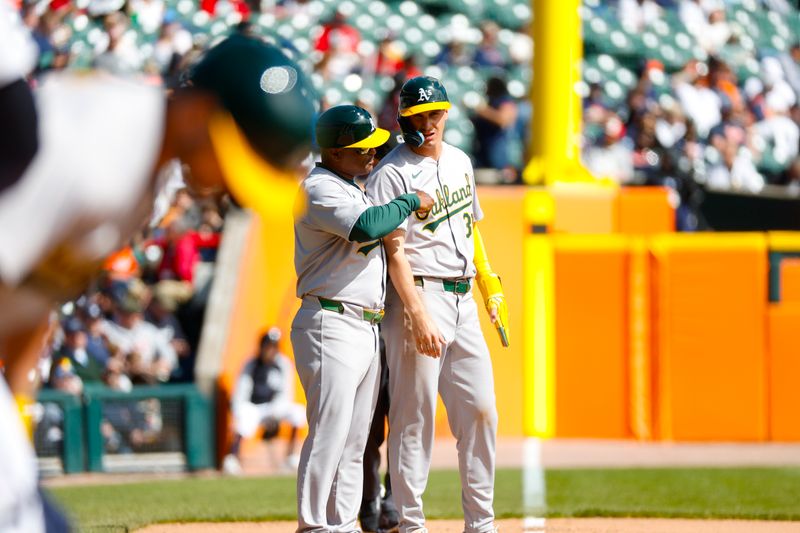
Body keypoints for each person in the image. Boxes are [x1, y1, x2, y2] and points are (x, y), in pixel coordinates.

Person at [0, 29, 315, 533]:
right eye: (233, 157)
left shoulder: (152, 169)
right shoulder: (98, 156)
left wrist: (16, 404)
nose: (233, 184)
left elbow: (32, 296)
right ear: (196, 111)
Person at [365, 76, 509, 533]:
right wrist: (416, 312)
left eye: (435, 114)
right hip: (419, 296)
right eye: (417, 116)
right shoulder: (391, 172)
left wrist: (490, 284)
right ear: (403, 119)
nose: (427, 123)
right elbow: (393, 253)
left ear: (446, 113)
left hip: (463, 296)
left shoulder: (462, 161)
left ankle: (481, 523)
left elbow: (472, 229)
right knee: (414, 414)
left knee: (482, 409)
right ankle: (410, 524)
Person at [291, 104, 434, 533]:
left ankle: (343, 522)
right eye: (362, 149)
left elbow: (392, 146)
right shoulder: (318, 188)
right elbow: (369, 226)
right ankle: (314, 525)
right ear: (335, 152)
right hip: (329, 319)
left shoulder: (351, 183)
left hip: (364, 324)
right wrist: (409, 199)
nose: (372, 155)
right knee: (329, 432)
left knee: (356, 439)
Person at [223, 327, 306, 475]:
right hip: (254, 407)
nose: (270, 350)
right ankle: (232, 458)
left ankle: (291, 456)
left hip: (275, 407)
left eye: (274, 346)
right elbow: (242, 390)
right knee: (244, 418)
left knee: (298, 412)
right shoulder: (251, 364)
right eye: (268, 346)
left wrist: (275, 413)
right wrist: (238, 410)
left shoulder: (283, 364)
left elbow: (286, 392)